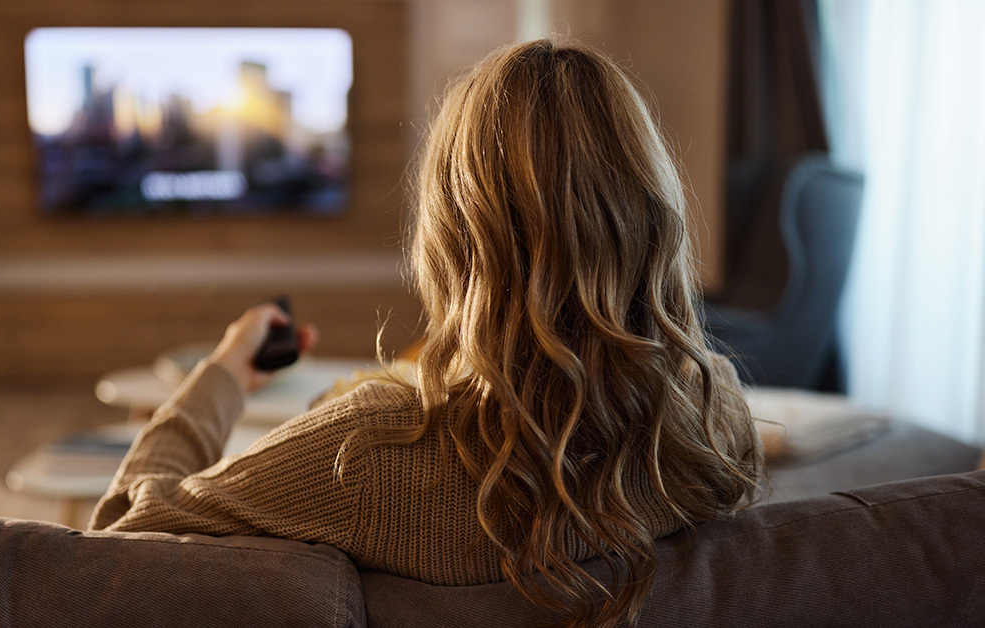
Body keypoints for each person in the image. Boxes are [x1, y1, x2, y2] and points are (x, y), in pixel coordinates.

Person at [90, 37, 763, 628]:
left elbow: (119, 546)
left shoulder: (372, 448)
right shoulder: (715, 415)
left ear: (460, 231)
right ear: (649, 210)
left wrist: (226, 370)